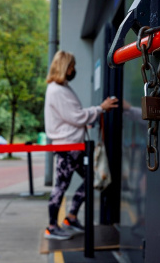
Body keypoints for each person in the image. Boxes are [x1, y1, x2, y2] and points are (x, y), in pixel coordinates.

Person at [43, 51, 118, 240]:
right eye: (71, 66)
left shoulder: (61, 88)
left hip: (72, 145)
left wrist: (89, 116)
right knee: (61, 187)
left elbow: (72, 116)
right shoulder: (57, 90)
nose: (73, 70)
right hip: (67, 146)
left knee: (90, 180)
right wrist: (101, 108)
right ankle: (52, 227)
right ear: (64, 67)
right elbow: (76, 116)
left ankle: (71, 217)